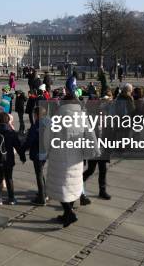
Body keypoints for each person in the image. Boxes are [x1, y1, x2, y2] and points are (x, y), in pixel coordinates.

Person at [44, 91, 98, 227]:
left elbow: (47, 136)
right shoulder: (82, 117)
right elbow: (90, 135)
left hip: (58, 156)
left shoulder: (57, 117)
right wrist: (92, 152)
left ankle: (69, 214)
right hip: (76, 157)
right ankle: (67, 214)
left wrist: (47, 149)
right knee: (72, 187)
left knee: (61, 187)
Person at [0, 112, 23, 205]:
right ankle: (11, 199)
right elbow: (18, 145)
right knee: (9, 178)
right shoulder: (10, 131)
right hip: (8, 159)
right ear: (7, 120)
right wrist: (22, 156)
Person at [21, 106, 46, 205]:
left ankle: (41, 198)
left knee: (39, 174)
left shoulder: (36, 126)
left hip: (37, 153)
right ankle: (43, 192)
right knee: (41, 172)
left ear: (37, 115)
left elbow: (29, 141)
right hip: (45, 152)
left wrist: (22, 150)